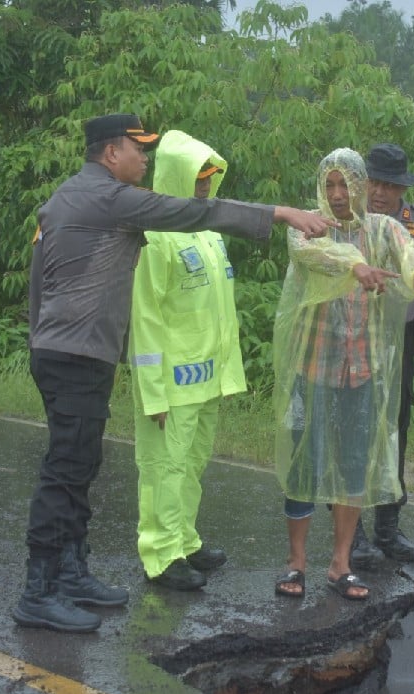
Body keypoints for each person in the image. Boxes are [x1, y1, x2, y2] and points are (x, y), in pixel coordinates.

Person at [15, 113, 335, 633]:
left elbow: (38, 277)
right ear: (111, 152)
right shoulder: (105, 197)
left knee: (79, 468)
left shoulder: (73, 196)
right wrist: (280, 213)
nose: (146, 159)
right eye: (138, 149)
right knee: (64, 472)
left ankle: (71, 573)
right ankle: (39, 590)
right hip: (73, 355)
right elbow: (188, 212)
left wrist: (42, 338)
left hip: (75, 353)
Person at [272, 148, 414, 601]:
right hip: (314, 366)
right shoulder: (308, 224)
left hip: (361, 368)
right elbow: (315, 253)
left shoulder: (384, 227)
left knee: (352, 466)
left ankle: (340, 564)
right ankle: (296, 563)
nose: (338, 194)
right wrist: (355, 265)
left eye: (346, 185)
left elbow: (408, 250)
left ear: (362, 187)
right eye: (330, 185)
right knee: (305, 462)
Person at [128, 130, 246, 592]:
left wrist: (226, 371)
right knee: (164, 468)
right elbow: (146, 319)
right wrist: (152, 390)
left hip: (209, 378)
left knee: (192, 465)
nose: (205, 186)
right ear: (177, 176)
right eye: (198, 177)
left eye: (211, 177)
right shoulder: (154, 237)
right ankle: (160, 555)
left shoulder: (209, 233)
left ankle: (185, 540)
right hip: (171, 383)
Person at [350, 143, 414, 569]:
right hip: (353, 334)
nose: (379, 192)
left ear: (402, 187)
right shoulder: (345, 218)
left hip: (404, 335)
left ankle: (388, 530)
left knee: (395, 427)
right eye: (373, 182)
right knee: (354, 426)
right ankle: (352, 534)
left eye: (389, 185)